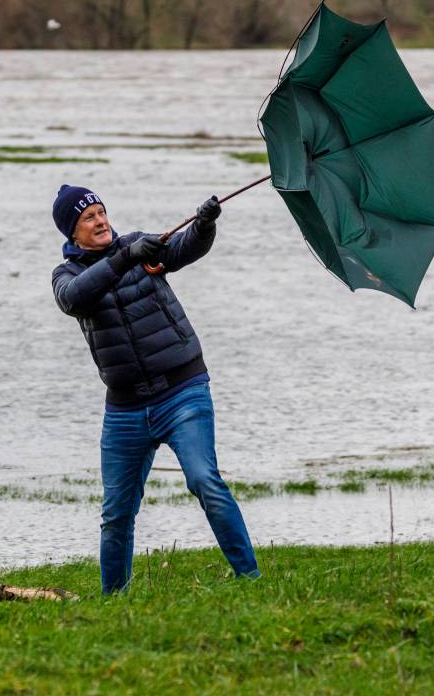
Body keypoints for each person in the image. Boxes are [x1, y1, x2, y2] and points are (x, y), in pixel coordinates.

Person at [50, 185, 259, 594]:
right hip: (125, 411)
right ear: (72, 233)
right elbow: (74, 300)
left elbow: (183, 250)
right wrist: (126, 257)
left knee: (204, 480)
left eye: (101, 212)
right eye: (89, 218)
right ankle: (113, 599)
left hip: (183, 391)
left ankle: (250, 579)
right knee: (116, 514)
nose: (101, 221)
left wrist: (205, 224)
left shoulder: (137, 246)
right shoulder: (68, 275)